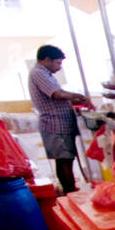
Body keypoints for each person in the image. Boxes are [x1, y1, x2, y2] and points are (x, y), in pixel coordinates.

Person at [28, 44, 89, 195]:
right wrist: (78, 96)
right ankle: (70, 192)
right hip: (55, 124)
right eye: (58, 62)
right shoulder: (39, 73)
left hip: (61, 123)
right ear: (46, 59)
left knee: (66, 159)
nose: (60, 67)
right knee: (64, 160)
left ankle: (70, 189)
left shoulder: (46, 74)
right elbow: (57, 94)